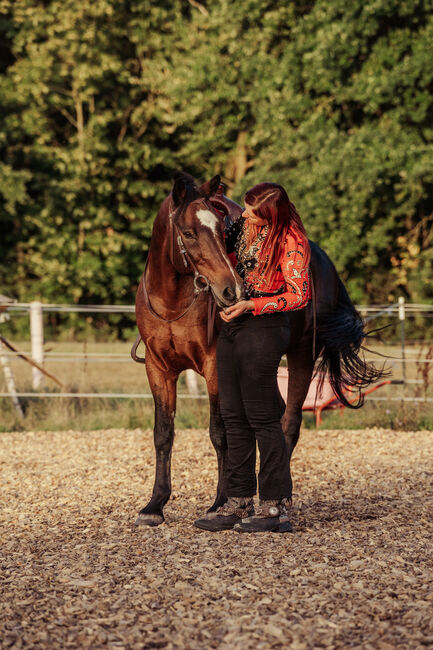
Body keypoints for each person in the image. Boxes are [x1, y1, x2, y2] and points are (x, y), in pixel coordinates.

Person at [194, 182, 311, 533]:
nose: (244, 215)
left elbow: (298, 295)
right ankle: (238, 499)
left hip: (265, 325)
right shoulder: (240, 227)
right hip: (232, 323)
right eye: (245, 208)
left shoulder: (292, 241)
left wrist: (252, 304)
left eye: (253, 212)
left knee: (262, 415)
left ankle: (275, 506)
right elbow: (212, 249)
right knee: (232, 414)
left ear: (271, 215)